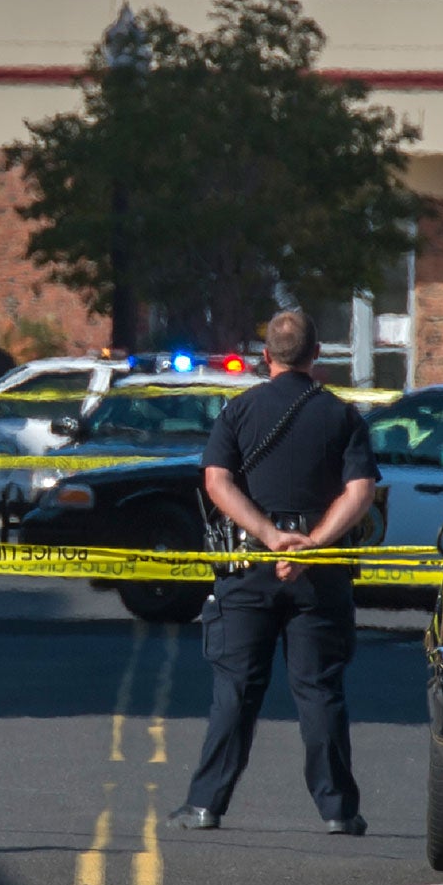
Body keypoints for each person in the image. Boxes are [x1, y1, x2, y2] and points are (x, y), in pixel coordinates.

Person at [169, 310, 377, 836]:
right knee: (319, 691)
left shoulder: (238, 411)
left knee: (235, 689)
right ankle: (338, 810)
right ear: (317, 356)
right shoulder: (342, 417)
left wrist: (268, 536)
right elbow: (360, 493)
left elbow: (217, 483)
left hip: (248, 569)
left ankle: (204, 805)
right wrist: (311, 545)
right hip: (320, 573)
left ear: (267, 356)